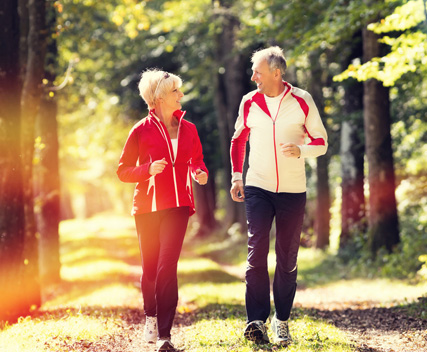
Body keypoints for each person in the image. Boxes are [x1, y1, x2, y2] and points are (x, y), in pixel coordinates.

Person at [230, 46, 328, 345]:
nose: (253, 77)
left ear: (276, 72)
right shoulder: (250, 102)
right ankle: (256, 321)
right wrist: (237, 177)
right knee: (256, 250)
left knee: (286, 258)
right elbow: (238, 140)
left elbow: (321, 141)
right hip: (257, 186)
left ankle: (281, 321)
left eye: (257, 71)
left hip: (292, 190)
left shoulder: (302, 100)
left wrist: (302, 150)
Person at [117, 69, 208, 352]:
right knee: (151, 268)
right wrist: (147, 170)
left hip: (179, 205)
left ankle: (165, 335)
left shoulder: (189, 128)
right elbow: (122, 171)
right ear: (157, 98)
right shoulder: (140, 130)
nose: (181, 95)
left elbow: (198, 161)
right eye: (175, 91)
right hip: (147, 207)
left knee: (167, 266)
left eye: (179, 90)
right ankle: (151, 316)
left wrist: (199, 172)